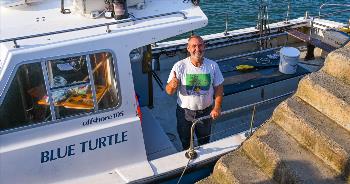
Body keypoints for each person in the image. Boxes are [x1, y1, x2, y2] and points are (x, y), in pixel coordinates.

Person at [166, 35, 224, 150]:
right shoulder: (179, 66)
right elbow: (169, 91)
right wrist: (172, 85)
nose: (197, 49)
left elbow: (219, 88)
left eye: (200, 45)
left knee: (204, 140)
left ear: (204, 47)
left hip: (206, 112)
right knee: (186, 141)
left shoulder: (212, 66)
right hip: (184, 113)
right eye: (193, 46)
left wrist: (217, 107)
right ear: (188, 48)